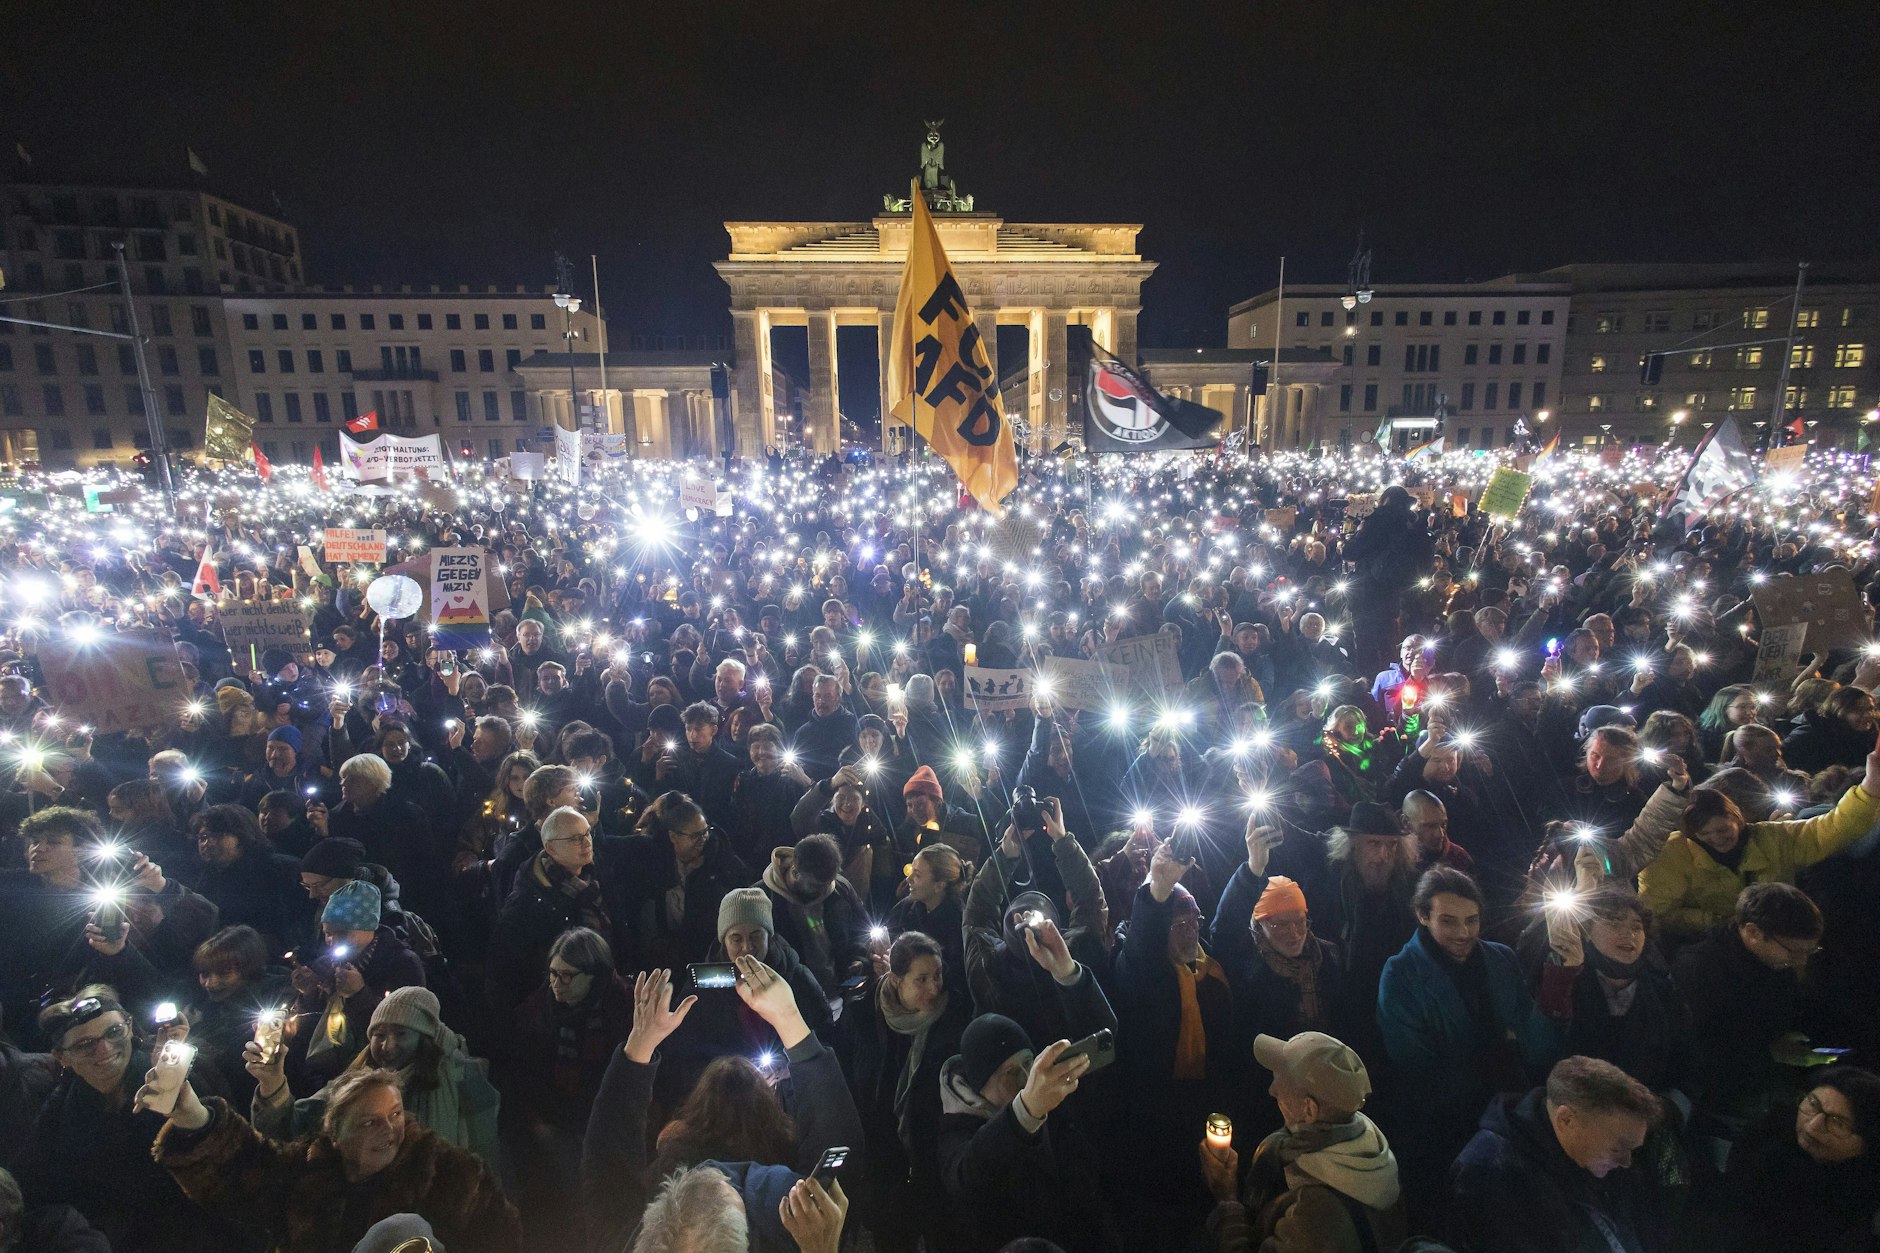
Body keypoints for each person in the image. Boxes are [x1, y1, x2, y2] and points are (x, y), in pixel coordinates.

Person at [580, 961, 862, 1253]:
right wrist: (790, 1019)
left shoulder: (626, 1244)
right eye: (735, 1191)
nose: (713, 1173)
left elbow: (606, 1162)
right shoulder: (796, 1232)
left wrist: (639, 1045)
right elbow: (836, 1173)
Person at [145, 1064, 522, 1253]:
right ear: (336, 1134)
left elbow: (501, 1240)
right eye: (370, 1122)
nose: (389, 1130)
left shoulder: (451, 1174)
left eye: (395, 1115)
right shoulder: (307, 1169)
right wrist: (192, 1115)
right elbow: (243, 1172)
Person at [1376, 865, 1572, 1228]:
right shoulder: (1400, 973)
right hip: (1442, 1125)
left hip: (1507, 1113)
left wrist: (1559, 977)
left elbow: (1535, 1042)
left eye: (1472, 920)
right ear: (1423, 916)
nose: (1463, 933)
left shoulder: (1500, 958)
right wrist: (1495, 1060)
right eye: (1448, 921)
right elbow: (1413, 1064)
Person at [937, 925, 1123, 1253]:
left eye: (1028, 1062)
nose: (1026, 1078)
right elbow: (968, 1177)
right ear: (980, 1087)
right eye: (1009, 1073)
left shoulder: (1050, 1093)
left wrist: (1067, 972)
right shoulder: (957, 1128)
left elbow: (1101, 1032)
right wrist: (1026, 1111)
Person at [21, 988, 235, 1253]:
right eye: (84, 1044)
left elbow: (232, 1161)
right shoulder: (59, 1113)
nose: (104, 1049)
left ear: (130, 1027)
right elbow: (42, 1190)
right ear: (62, 1057)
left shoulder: (185, 1076)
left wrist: (179, 1100)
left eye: (113, 1032)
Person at [1639, 727, 1880, 940]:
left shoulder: (1773, 838)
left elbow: (1831, 828)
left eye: (1723, 829)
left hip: (1778, 934)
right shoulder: (1671, 854)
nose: (1716, 838)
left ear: (1738, 818)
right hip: (1712, 944)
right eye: (1705, 833)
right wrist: (1719, 921)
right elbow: (1657, 911)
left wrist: (1869, 790)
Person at [1199, 1030, 1406, 1253]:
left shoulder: (1314, 1220)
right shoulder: (1370, 1151)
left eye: (1281, 1080)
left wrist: (1227, 1198)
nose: (1272, 1090)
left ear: (1309, 1110)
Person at [1448, 1055, 1667, 1253]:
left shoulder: (1592, 1156)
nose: (1626, 1162)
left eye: (1632, 1150)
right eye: (1617, 1148)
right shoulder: (1488, 1173)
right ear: (1566, 1120)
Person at [1672, 881, 1829, 1134]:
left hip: (1766, 1085)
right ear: (1753, 932)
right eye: (1794, 951)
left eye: (1810, 951)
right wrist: (1770, 1053)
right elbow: (1698, 1052)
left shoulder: (1777, 962)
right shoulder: (1699, 970)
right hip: (1719, 1107)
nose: (1801, 961)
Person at [849, 930, 970, 1253]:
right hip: (886, 1167)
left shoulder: (956, 1019)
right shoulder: (865, 1017)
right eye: (922, 979)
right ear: (896, 979)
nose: (934, 988)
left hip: (934, 1164)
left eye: (938, 975)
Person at [1690, 1066, 1880, 1253]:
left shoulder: (1864, 1201)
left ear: (1869, 1142)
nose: (1812, 1126)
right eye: (1813, 1104)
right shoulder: (1762, 1143)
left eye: (1837, 1123)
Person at [606, 791, 750, 973]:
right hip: (658, 961)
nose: (703, 840)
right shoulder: (649, 858)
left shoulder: (721, 861)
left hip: (707, 957)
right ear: (673, 836)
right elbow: (607, 846)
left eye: (705, 832)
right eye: (694, 836)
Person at [486, 805, 610, 1011]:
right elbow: (504, 972)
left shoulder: (599, 877)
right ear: (551, 848)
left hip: (603, 997)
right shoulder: (525, 902)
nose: (586, 842)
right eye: (575, 838)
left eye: (588, 833)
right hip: (554, 1007)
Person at [759, 831, 869, 999]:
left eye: (829, 882)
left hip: (840, 992)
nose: (825, 890)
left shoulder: (840, 888)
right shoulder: (763, 899)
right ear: (795, 873)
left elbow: (861, 928)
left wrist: (858, 957)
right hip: (795, 998)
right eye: (817, 886)